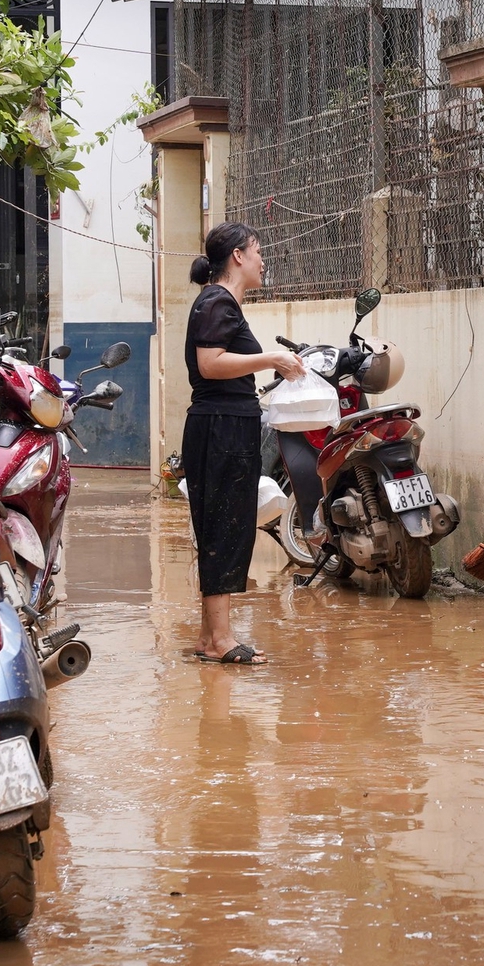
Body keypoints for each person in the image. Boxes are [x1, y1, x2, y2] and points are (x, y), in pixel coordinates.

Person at [182, 222, 302, 664]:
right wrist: (271, 357)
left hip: (224, 425)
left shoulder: (218, 302)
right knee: (225, 527)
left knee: (222, 526)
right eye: (257, 251)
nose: (262, 259)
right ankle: (222, 640)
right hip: (221, 428)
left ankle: (208, 636)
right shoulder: (217, 300)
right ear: (237, 256)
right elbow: (210, 364)